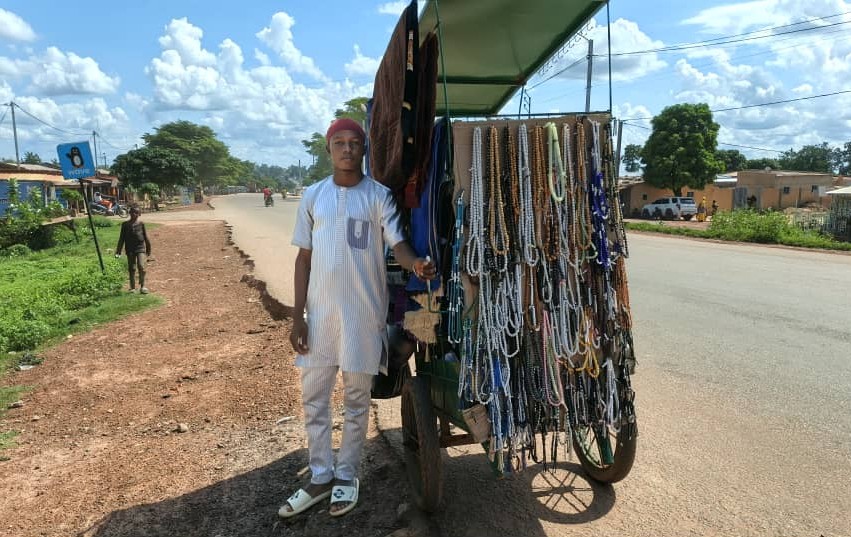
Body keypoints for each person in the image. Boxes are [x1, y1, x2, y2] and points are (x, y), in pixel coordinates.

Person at [279, 118, 436, 519]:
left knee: (355, 400)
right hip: (321, 319)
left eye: (354, 143)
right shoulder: (313, 197)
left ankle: (347, 475)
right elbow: (303, 259)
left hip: (363, 317)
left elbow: (397, 244)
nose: (347, 149)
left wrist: (416, 263)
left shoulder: (378, 196)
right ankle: (319, 475)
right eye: (339, 142)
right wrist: (298, 317)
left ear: (364, 149)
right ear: (329, 149)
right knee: (314, 400)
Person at [115, 205, 152, 294]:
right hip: (130, 249)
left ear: (139, 214)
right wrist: (118, 251)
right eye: (132, 212)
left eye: (136, 212)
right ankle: (132, 287)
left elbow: (146, 237)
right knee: (132, 268)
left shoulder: (141, 224)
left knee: (141, 266)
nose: (133, 214)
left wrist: (148, 248)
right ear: (129, 213)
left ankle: (143, 286)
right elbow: (121, 239)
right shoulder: (125, 225)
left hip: (140, 248)